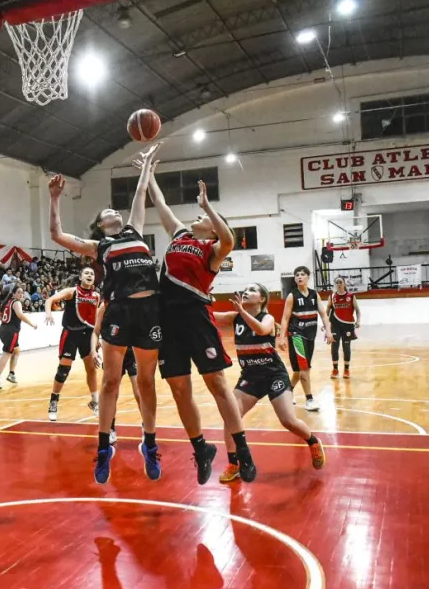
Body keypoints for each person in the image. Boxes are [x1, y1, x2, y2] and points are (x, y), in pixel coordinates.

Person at [48, 142, 162, 485]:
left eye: (116, 208)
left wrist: (146, 165)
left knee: (145, 382)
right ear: (101, 225)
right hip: (120, 312)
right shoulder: (100, 247)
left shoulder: (136, 231)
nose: (116, 210)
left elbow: (141, 192)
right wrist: (54, 198)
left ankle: (150, 443)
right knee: (111, 382)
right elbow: (57, 235)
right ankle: (102, 450)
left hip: (149, 312)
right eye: (108, 211)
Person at [146, 165, 256, 485]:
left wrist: (208, 205)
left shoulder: (213, 250)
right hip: (166, 320)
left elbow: (230, 239)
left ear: (212, 226)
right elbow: (161, 204)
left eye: (203, 218)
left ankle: (243, 451)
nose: (196, 218)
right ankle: (201, 448)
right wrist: (148, 175)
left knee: (218, 385)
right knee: (179, 389)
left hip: (196, 317)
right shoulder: (180, 235)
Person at [212, 284, 325, 481]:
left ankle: (313, 441)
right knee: (231, 418)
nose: (246, 291)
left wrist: (241, 311)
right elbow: (209, 317)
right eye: (245, 289)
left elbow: (262, 330)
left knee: (287, 420)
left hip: (274, 375)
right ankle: (233, 463)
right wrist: (202, 297)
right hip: (250, 377)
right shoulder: (235, 316)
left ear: (262, 299)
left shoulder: (268, 318)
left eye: (252, 290)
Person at [42, 266, 101, 421]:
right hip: (71, 333)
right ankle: (54, 400)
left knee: (91, 369)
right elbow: (50, 300)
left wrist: (98, 338)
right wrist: (48, 313)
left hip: (88, 335)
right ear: (80, 277)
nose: (90, 275)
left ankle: (95, 402)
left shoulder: (96, 295)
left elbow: (98, 318)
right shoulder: (71, 292)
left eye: (92, 273)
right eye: (86, 273)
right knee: (63, 370)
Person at [277, 266, 332, 411]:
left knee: (298, 370)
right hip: (296, 335)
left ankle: (286, 392)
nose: (299, 277)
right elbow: (285, 318)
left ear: (308, 277)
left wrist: (328, 331)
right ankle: (309, 400)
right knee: (304, 368)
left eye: (302, 274)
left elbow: (323, 314)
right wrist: (281, 337)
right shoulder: (292, 296)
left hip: (310, 335)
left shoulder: (315, 295)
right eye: (297, 275)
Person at [91, 302, 143, 446]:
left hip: (132, 351)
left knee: (139, 392)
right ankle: (110, 428)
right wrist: (93, 351)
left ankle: (147, 428)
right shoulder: (105, 305)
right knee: (111, 392)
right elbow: (96, 331)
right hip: (113, 352)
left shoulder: (135, 300)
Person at [0, 285, 37, 389]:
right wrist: (31, 324)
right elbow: (20, 315)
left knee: (17, 350)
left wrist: (6, 321)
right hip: (11, 331)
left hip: (3, 329)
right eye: (19, 292)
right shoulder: (16, 302)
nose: (21, 294)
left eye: (22, 292)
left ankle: (11, 374)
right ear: (14, 294)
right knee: (7, 353)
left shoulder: (8, 302)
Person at [326, 276, 360, 379]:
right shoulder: (332, 296)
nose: (338, 284)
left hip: (348, 325)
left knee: (346, 347)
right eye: (336, 282)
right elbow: (327, 310)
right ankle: (335, 369)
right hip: (335, 325)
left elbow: (357, 310)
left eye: (340, 282)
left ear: (344, 283)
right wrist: (326, 323)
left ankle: (346, 369)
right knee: (334, 347)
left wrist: (358, 321)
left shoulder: (351, 296)